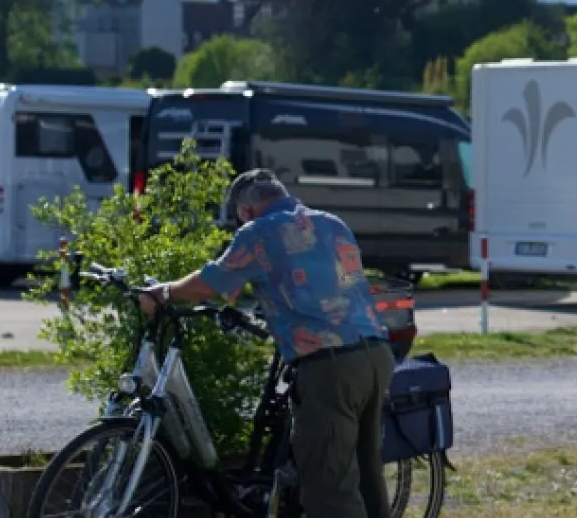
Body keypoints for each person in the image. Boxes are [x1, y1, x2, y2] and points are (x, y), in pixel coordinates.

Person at [136, 169, 395, 518]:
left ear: (245, 210)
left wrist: (163, 292)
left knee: (329, 487)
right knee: (367, 475)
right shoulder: (332, 224)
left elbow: (212, 282)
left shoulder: (259, 233)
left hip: (328, 364)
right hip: (375, 354)